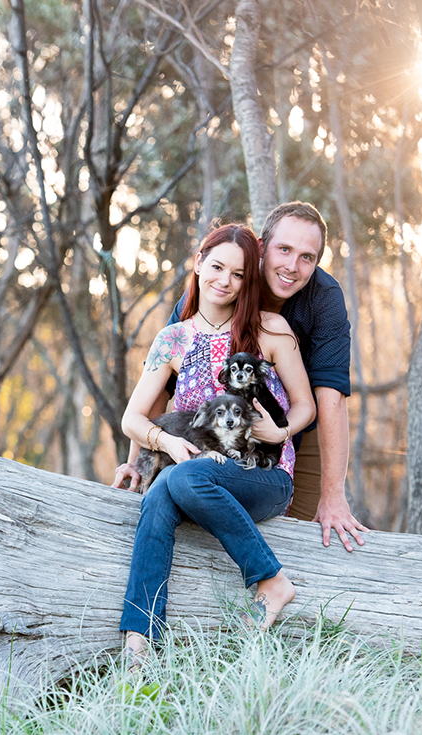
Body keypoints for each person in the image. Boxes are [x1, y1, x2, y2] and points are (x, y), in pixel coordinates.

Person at [114, 202, 368, 553]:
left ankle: (274, 585)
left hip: (294, 432)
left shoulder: (323, 299)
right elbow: (158, 386)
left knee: (298, 536)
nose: (292, 266)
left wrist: (334, 496)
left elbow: (330, 398)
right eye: (284, 250)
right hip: (215, 439)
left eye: (307, 257)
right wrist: (137, 461)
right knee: (187, 505)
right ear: (262, 247)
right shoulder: (218, 286)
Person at [117, 223, 316, 661]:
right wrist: (158, 447)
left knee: (181, 479)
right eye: (217, 267)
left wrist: (279, 432)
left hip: (263, 477)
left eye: (239, 274)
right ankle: (139, 640)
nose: (225, 281)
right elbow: (133, 417)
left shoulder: (270, 329)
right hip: (195, 474)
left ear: (249, 281)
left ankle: (270, 581)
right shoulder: (173, 338)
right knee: (162, 491)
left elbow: (306, 406)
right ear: (198, 263)